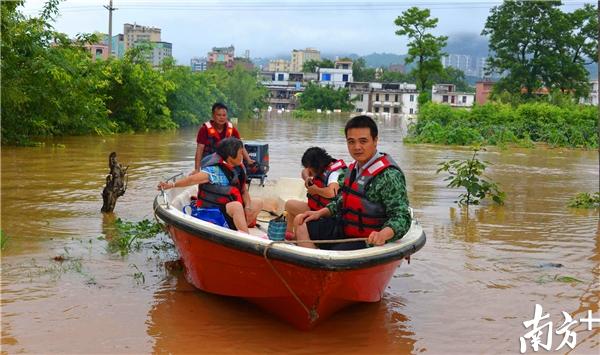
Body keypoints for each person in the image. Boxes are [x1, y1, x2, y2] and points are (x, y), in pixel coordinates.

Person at [294, 115, 411, 250]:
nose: (357, 147)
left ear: (375, 140)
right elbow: (342, 200)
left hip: (367, 240)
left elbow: (402, 217)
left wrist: (383, 234)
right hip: (345, 228)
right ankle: (314, 266)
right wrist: (320, 213)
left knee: (336, 253)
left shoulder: (389, 176)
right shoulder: (352, 169)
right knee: (301, 223)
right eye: (351, 142)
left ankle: (318, 267)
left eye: (363, 141)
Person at [159, 137, 262, 234]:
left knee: (258, 203)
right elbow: (191, 180)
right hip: (215, 211)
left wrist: (248, 207)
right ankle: (244, 238)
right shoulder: (213, 171)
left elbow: (243, 190)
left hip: (231, 210)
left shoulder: (239, 169)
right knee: (237, 206)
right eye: (240, 153)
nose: (243, 156)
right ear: (231, 156)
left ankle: (239, 227)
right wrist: (171, 185)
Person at [284, 147, 346, 239]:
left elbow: (331, 192)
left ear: (316, 165)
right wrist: (307, 178)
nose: (308, 170)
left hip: (328, 214)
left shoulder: (334, 173)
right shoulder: (320, 167)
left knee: (299, 218)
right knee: (289, 204)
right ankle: (289, 234)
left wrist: (316, 190)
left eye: (309, 167)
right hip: (315, 208)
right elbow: (304, 172)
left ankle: (298, 239)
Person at [193, 102, 254, 174]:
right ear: (213, 116)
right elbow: (199, 150)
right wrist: (197, 169)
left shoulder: (231, 129)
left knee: (241, 167)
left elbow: (240, 146)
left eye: (224, 115)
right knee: (220, 158)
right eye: (219, 115)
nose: (222, 117)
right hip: (208, 160)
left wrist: (248, 160)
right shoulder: (204, 129)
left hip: (225, 160)